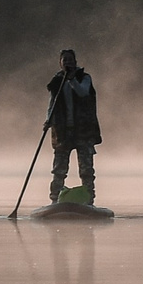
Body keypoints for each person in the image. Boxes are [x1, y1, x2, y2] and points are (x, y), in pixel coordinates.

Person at [46, 49, 101, 204]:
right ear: (60, 63)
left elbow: (82, 92)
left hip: (83, 130)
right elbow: (52, 104)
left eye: (70, 60)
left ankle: (89, 201)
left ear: (75, 62)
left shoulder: (84, 78)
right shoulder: (56, 81)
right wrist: (48, 121)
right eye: (65, 61)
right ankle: (55, 200)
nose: (68, 63)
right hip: (63, 131)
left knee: (86, 169)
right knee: (59, 169)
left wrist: (71, 79)